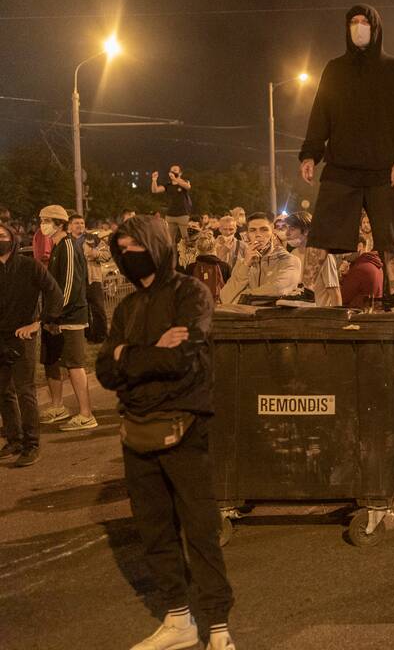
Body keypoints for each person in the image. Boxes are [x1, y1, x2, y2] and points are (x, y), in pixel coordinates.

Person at [95, 216, 236, 650]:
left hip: (184, 425)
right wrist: (149, 351)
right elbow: (103, 369)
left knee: (200, 530)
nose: (126, 255)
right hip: (135, 431)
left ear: (155, 245)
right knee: (153, 530)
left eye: (134, 246)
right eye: (120, 248)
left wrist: (126, 357)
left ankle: (217, 628)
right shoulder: (126, 308)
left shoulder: (189, 292)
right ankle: (178, 618)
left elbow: (185, 361)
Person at [298, 4, 394, 310]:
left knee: (392, 234)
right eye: (353, 22)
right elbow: (320, 113)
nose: (359, 27)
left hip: (384, 168)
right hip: (341, 166)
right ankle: (306, 289)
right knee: (322, 230)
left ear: (376, 28)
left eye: (365, 22)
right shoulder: (334, 69)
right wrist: (310, 154)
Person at [0, 222, 62, 467]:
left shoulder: (29, 266)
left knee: (25, 390)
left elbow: (54, 292)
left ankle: (32, 443)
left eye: (2, 235)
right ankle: (14, 439)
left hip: (22, 336)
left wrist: (39, 322)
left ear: (12, 239)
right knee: (3, 391)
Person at [36, 205, 97, 431]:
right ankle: (57, 406)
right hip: (55, 317)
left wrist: (55, 316)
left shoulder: (69, 247)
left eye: (46, 220)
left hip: (69, 316)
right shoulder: (56, 247)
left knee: (74, 364)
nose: (42, 225)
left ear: (59, 224)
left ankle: (86, 413)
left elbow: (69, 287)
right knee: (51, 360)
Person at [220, 213, 302, 305]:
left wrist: (244, 297)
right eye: (253, 230)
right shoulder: (243, 262)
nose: (258, 234)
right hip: (246, 318)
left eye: (264, 230)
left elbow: (278, 289)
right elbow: (225, 297)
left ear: (273, 234)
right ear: (247, 236)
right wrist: (246, 265)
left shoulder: (289, 260)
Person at [282, 211, 341, 307]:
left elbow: (335, 293)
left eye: (292, 229)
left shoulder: (323, 256)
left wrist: (337, 320)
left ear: (306, 231)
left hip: (318, 316)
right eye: (287, 229)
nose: (287, 233)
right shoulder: (293, 254)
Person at [74, 217, 111, 343]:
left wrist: (95, 254)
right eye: (76, 223)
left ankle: (101, 335)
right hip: (77, 281)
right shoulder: (68, 241)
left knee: (98, 309)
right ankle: (88, 336)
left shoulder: (92, 238)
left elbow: (107, 255)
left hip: (93, 279)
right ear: (70, 225)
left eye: (82, 223)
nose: (80, 225)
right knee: (83, 310)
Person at [151, 165, 193, 246]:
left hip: (183, 214)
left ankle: (187, 257)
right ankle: (171, 256)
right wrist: (154, 180)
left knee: (186, 239)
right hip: (170, 215)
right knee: (169, 240)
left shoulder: (184, 182)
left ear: (180, 173)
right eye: (171, 170)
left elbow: (188, 187)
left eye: (175, 170)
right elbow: (155, 190)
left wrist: (176, 179)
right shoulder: (168, 185)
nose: (173, 172)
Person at [340, 235, 384, 309]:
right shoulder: (376, 265)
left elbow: (342, 298)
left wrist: (343, 277)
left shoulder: (359, 269)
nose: (343, 255)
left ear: (359, 246)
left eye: (346, 249)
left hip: (357, 315)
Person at [189, 234, 231, 304]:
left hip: (197, 307)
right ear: (214, 247)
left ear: (197, 248)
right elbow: (230, 290)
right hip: (220, 308)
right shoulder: (225, 267)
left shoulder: (191, 267)